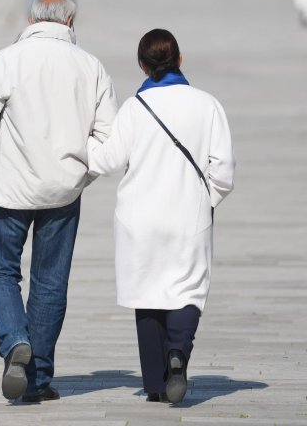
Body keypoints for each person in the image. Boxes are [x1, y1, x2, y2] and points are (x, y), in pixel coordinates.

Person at [0, 0, 119, 403]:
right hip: (64, 189)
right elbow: (109, 137)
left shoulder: (7, 59)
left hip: (10, 185)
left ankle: (14, 340)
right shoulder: (91, 66)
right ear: (70, 20)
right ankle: (38, 379)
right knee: (50, 283)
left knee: (0, 275)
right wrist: (83, 173)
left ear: (30, 18)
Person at [87, 29, 235, 404]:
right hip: (189, 214)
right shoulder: (207, 104)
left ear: (142, 65)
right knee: (188, 289)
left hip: (138, 217)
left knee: (147, 291)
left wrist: (81, 139)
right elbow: (225, 171)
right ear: (180, 60)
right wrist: (207, 200)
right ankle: (177, 355)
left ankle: (155, 384)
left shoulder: (134, 109)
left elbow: (106, 161)